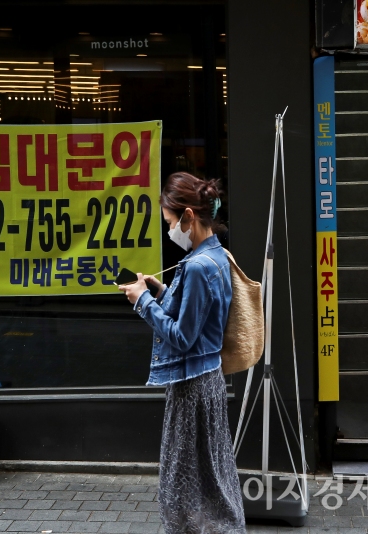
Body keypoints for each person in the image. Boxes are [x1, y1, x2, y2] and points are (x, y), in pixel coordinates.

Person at [118, 172, 246, 534]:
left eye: (172, 222)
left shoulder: (196, 266)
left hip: (191, 386)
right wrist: (161, 291)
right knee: (213, 472)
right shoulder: (216, 254)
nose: (171, 230)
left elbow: (182, 337)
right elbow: (199, 315)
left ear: (189, 216)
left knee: (180, 482)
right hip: (208, 381)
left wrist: (143, 301)